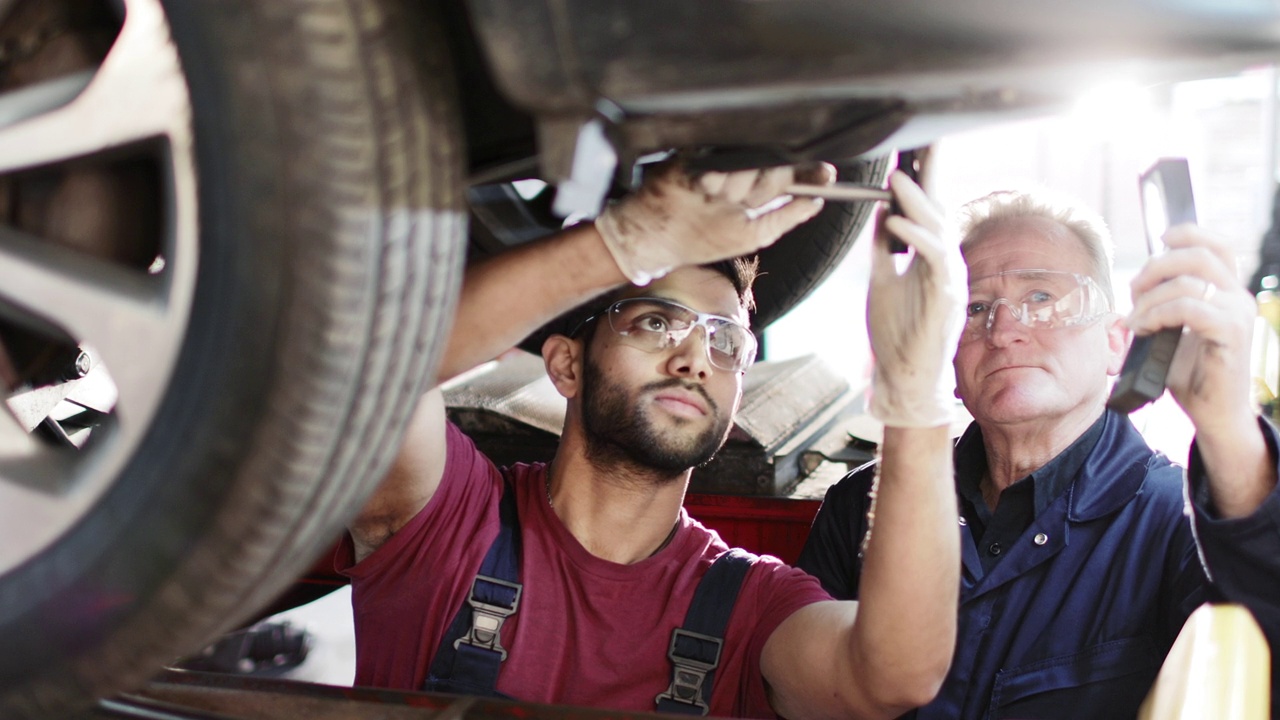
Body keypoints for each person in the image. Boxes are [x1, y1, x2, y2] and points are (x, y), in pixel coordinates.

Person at [337, 161, 969, 719]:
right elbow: (375, 365)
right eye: (656, 322)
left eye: (724, 342)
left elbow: (894, 677)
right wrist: (625, 241)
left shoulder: (749, 605)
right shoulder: (448, 521)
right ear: (567, 366)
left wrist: (915, 392)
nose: (695, 359)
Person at [797, 188, 1280, 719]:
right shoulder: (862, 504)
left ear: (1117, 343)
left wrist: (1230, 427)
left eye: (1042, 299)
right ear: (947, 359)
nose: (1004, 331)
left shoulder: (1175, 523)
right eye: (976, 307)